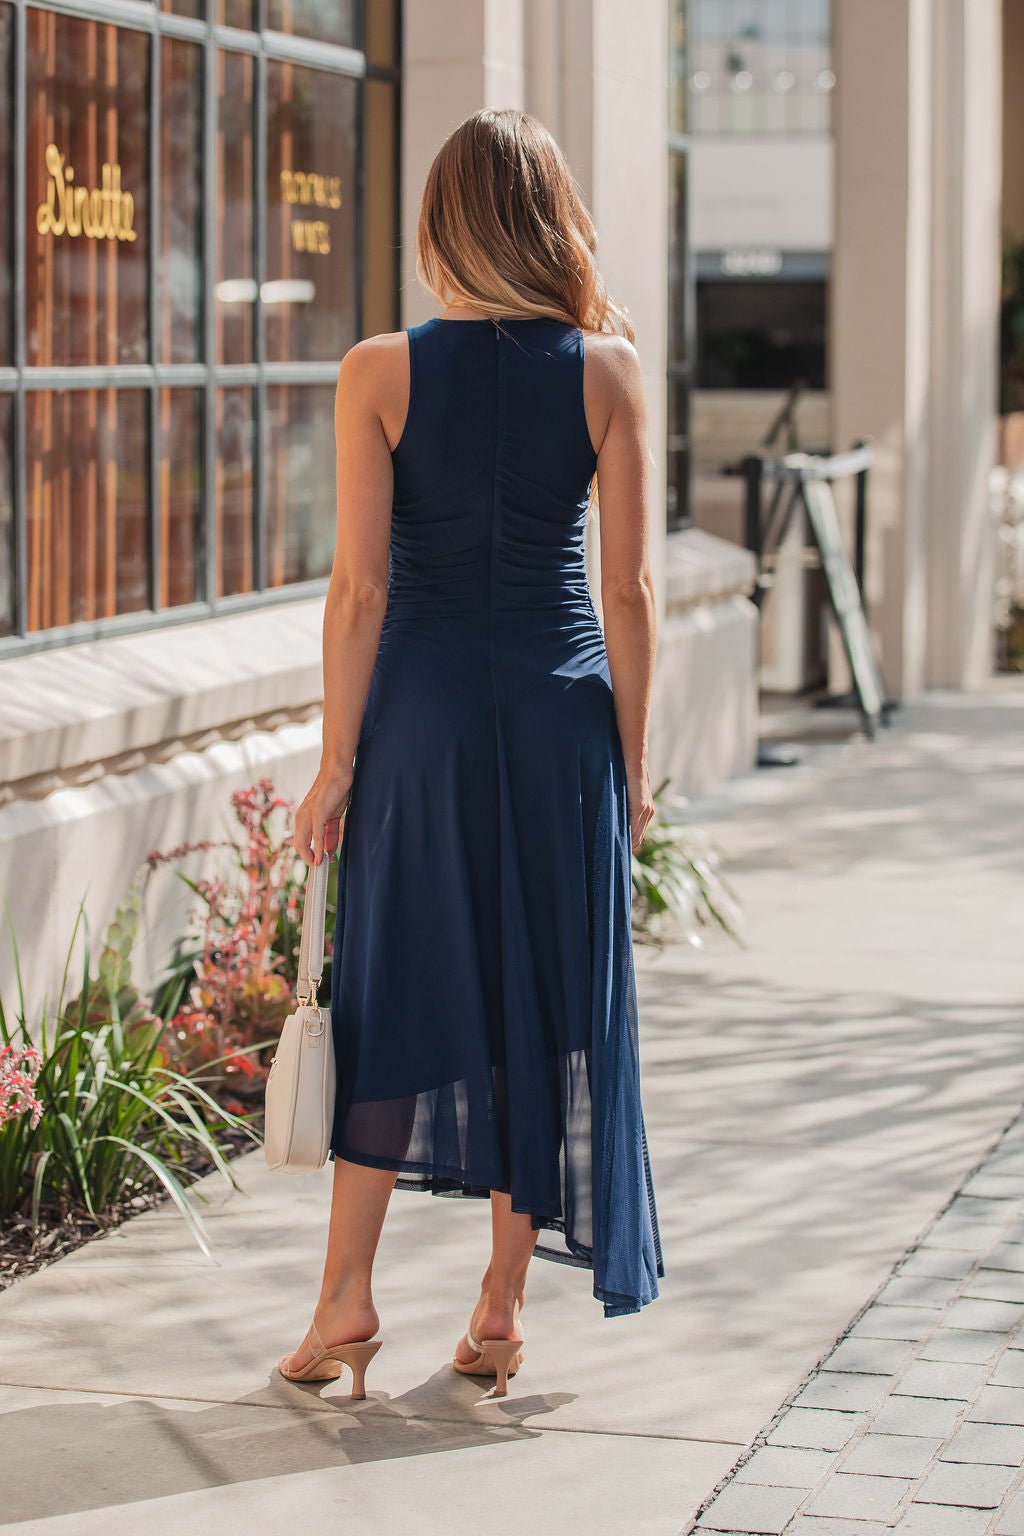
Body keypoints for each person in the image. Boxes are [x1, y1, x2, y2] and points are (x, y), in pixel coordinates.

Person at [281, 107, 664, 1400]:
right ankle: (499, 1309)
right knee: (543, 1013)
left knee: (393, 986)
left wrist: (336, 761)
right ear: (552, 219)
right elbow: (633, 599)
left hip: (425, 724)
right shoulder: (608, 373)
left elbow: (358, 591)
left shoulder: (379, 372)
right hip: (561, 725)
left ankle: (344, 1301)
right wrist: (636, 768)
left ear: (443, 221)